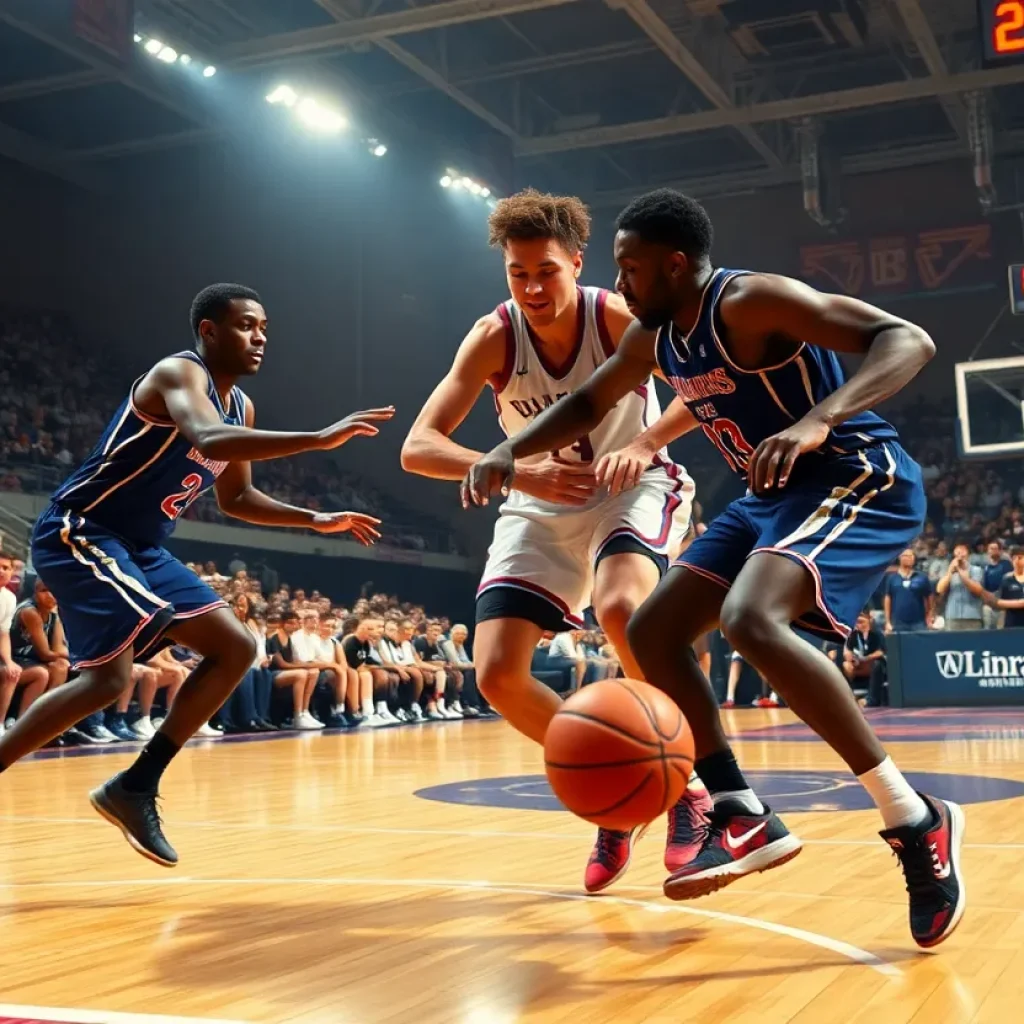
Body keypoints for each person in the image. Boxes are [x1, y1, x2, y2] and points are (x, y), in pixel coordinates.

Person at [463, 188, 964, 949]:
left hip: (853, 472)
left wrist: (816, 418)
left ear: (672, 266)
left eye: (629, 269)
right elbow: (588, 403)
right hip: (767, 502)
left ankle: (913, 817)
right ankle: (737, 807)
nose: (620, 284)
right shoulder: (657, 336)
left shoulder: (751, 299)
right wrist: (508, 449)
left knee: (747, 619)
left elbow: (908, 340)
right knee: (655, 631)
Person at [9, 283, 391, 867]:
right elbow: (208, 438)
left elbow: (237, 498)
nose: (259, 336)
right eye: (245, 325)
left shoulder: (243, 408)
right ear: (209, 331)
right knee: (110, 681)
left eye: (264, 327)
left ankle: (134, 786)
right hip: (81, 528)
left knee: (236, 645)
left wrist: (316, 519)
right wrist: (317, 438)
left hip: (139, 547)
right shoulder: (176, 374)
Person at [401, 187, 709, 893]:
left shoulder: (619, 316)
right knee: (496, 675)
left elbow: (705, 386)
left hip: (631, 487)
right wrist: (523, 471)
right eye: (519, 273)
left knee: (620, 609)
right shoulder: (494, 336)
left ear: (577, 262)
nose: (534, 287)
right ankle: (622, 776)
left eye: (547, 270)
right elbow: (418, 447)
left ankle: (687, 785)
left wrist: (648, 438)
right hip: (538, 504)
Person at [935, 542, 985, 631]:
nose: (960, 554)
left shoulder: (976, 570)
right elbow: (939, 589)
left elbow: (977, 590)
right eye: (957, 552)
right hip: (952, 616)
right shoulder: (949, 570)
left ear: (968, 555)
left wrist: (960, 571)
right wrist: (950, 572)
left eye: (962, 551)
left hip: (972, 616)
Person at [844, 611, 887, 708]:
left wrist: (867, 658)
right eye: (857, 623)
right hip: (860, 665)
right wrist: (850, 657)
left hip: (873, 664)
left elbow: (881, 652)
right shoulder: (854, 635)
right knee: (846, 666)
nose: (860, 625)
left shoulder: (877, 634)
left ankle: (871, 699)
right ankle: (849, 697)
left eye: (862, 622)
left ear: (869, 620)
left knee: (877, 664)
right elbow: (849, 650)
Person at [884, 549, 933, 633]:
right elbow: (888, 599)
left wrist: (929, 615)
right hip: (897, 623)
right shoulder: (892, 578)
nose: (909, 558)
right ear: (900, 557)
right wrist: (887, 621)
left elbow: (930, 597)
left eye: (911, 556)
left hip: (919, 623)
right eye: (906, 556)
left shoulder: (922, 577)